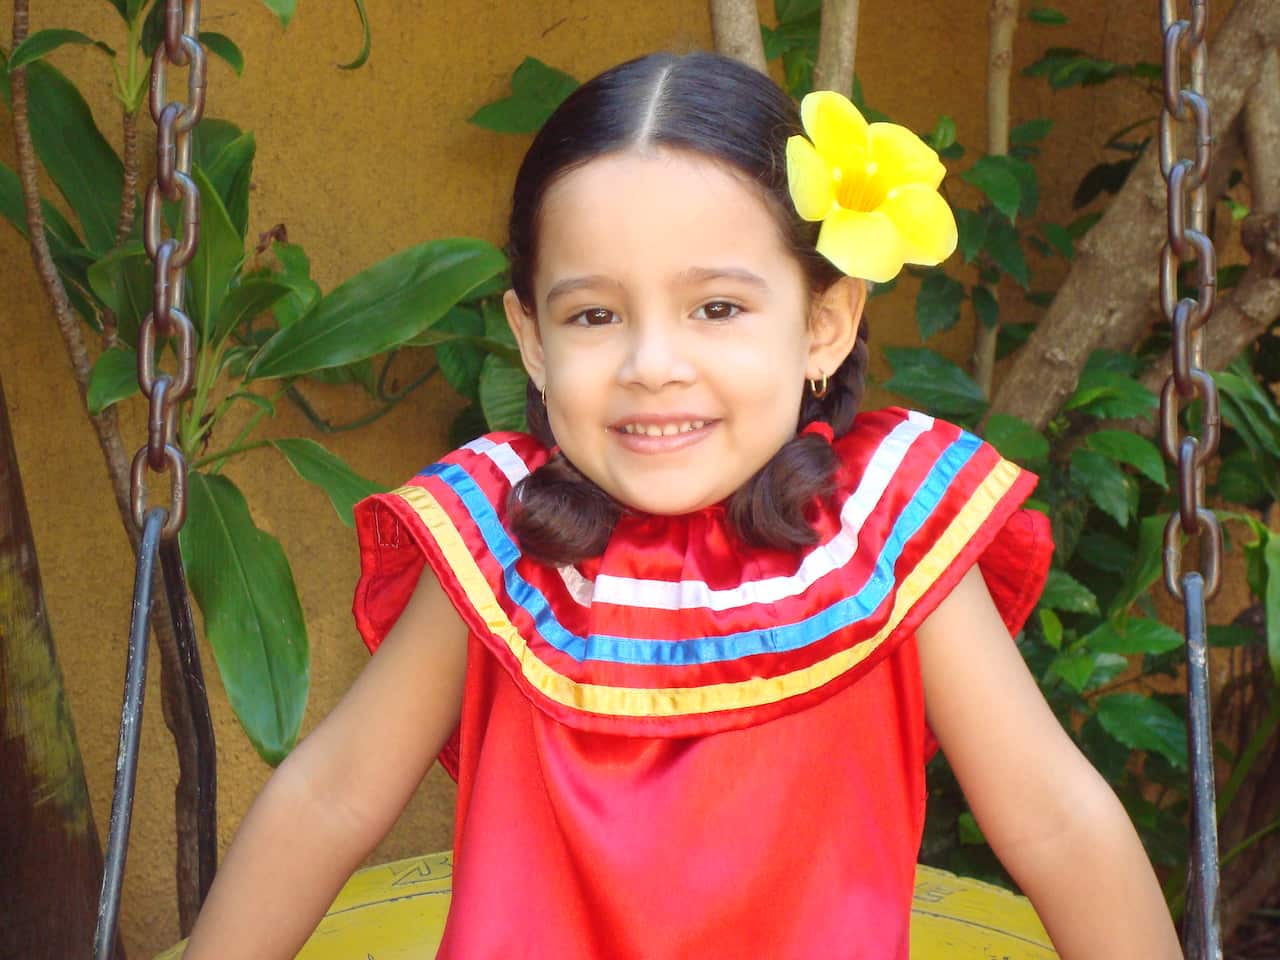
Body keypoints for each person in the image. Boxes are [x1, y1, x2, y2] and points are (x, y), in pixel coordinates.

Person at [182, 51, 1182, 959]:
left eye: (716, 307)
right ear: (531, 341)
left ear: (823, 324)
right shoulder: (499, 549)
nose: (651, 365)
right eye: (593, 314)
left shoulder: (886, 540)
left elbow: (1050, 817)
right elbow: (330, 796)